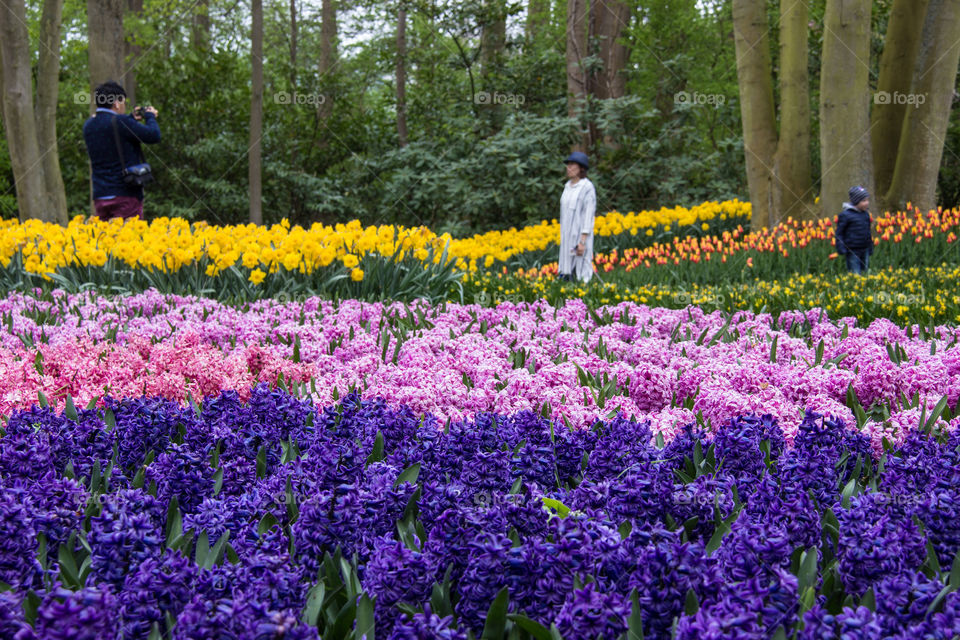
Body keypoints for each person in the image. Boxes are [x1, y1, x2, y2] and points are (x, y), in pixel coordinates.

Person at [82, 81, 160, 221]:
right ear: (117, 103)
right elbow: (153, 135)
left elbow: (109, 132)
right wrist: (150, 117)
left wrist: (130, 119)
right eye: (123, 102)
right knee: (128, 240)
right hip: (125, 194)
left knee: (107, 240)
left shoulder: (88, 125)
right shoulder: (122, 123)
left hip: (100, 196)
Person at [558, 151, 596, 283]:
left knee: (581, 270)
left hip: (579, 237)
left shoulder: (587, 187)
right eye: (568, 165)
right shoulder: (567, 187)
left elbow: (588, 215)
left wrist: (582, 241)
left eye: (573, 165)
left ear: (581, 168)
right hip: (566, 237)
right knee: (566, 268)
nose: (569, 168)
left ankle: (582, 293)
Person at [835, 185, 873, 275]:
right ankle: (855, 286)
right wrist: (841, 247)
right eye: (864, 201)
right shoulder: (845, 215)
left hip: (865, 248)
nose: (867, 203)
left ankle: (865, 286)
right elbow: (839, 233)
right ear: (856, 201)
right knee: (854, 272)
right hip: (852, 250)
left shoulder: (866, 214)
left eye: (867, 200)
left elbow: (868, 232)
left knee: (865, 271)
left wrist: (870, 246)